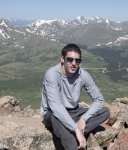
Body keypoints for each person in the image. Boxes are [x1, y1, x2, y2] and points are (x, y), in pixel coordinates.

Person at [41, 43, 110, 150]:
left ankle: (70, 131)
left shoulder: (83, 75)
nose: (74, 63)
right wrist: (76, 129)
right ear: (62, 59)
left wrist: (83, 119)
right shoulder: (52, 74)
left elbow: (99, 100)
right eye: (70, 59)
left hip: (74, 112)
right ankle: (74, 137)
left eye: (77, 60)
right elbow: (56, 107)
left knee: (104, 112)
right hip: (53, 114)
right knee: (56, 118)